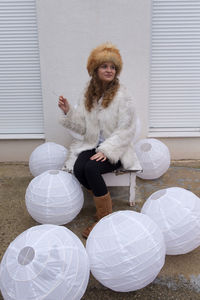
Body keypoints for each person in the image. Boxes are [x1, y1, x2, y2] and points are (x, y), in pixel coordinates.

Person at [58, 42, 141, 238]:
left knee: (91, 169)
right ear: (95, 70)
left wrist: (107, 150)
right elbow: (83, 126)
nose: (109, 70)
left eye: (113, 67)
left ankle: (105, 218)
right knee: (79, 168)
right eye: (104, 66)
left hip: (117, 149)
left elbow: (127, 130)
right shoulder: (90, 93)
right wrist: (68, 111)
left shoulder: (123, 95)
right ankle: (101, 201)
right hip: (93, 144)